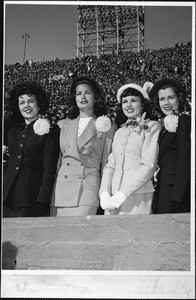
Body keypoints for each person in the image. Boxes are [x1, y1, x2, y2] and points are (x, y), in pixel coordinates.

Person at [50, 76, 117, 216]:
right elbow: (57, 162)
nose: (82, 96)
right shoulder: (63, 125)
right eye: (78, 93)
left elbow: (105, 164)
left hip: (87, 190)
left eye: (87, 92)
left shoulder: (106, 125)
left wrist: (105, 193)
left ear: (96, 97)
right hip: (60, 190)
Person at [99, 82, 161, 215]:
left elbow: (148, 165)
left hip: (138, 196)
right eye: (125, 102)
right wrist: (104, 192)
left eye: (133, 100)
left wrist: (123, 194)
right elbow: (110, 166)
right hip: (112, 199)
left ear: (142, 104)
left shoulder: (152, 126)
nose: (128, 105)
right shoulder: (119, 131)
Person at [3, 81, 60, 217]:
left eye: (31, 101)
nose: (26, 106)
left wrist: (42, 200)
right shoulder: (11, 132)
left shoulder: (50, 131)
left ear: (39, 105)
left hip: (30, 199)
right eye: (22, 102)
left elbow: (49, 169)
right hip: (6, 197)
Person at [149, 78, 191, 213]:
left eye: (170, 98)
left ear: (179, 99)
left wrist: (178, 197)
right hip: (162, 187)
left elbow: (185, 160)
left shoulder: (184, 121)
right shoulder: (162, 125)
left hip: (175, 192)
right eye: (162, 99)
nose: (166, 103)